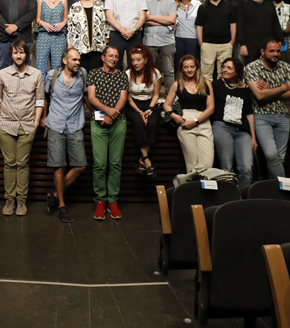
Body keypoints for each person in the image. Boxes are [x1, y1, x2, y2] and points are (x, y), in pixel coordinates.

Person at [0, 40, 44, 216]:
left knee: (22, 164)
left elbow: (39, 100)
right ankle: (9, 199)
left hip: (28, 125)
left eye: (21, 52)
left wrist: (36, 122)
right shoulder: (2, 74)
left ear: (26, 54)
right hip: (6, 124)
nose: (18, 56)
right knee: (9, 163)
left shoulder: (36, 74)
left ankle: (21, 200)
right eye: (15, 53)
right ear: (11, 55)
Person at [243, 39, 290, 181]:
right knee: (271, 155)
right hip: (262, 115)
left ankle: (273, 190)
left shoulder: (285, 67)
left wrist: (270, 90)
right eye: (272, 51)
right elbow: (260, 95)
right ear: (263, 52)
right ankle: (285, 188)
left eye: (278, 51)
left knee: (280, 158)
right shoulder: (252, 67)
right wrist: (283, 87)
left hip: (282, 115)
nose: (275, 54)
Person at [42, 48, 87, 223]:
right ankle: (61, 205)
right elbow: (45, 96)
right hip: (55, 124)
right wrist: (44, 116)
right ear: (64, 61)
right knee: (58, 166)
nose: (77, 63)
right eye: (74, 60)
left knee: (80, 165)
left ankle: (53, 194)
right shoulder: (52, 76)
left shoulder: (83, 74)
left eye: (79, 60)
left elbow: (85, 96)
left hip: (75, 124)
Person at [86, 45, 129, 219]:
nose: (113, 59)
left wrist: (113, 115)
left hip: (118, 123)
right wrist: (107, 111)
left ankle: (112, 200)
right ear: (103, 57)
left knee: (116, 163)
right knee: (99, 163)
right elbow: (91, 97)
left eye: (116, 56)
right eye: (110, 56)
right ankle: (100, 200)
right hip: (98, 122)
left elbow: (123, 97)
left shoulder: (121, 75)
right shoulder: (94, 74)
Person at [163, 54, 215, 176]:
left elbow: (211, 108)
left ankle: (200, 187)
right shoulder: (177, 84)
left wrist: (196, 121)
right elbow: (166, 105)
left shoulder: (206, 82)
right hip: (185, 120)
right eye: (186, 67)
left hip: (203, 121)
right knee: (192, 164)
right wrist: (173, 115)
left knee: (207, 164)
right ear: (182, 69)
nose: (189, 70)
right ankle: (192, 192)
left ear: (197, 67)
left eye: (192, 66)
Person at [211, 58, 257, 188]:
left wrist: (253, 137)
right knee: (227, 168)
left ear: (237, 71)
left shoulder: (245, 88)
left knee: (247, 167)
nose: (225, 70)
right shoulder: (216, 85)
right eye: (224, 67)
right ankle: (228, 199)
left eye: (229, 68)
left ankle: (243, 199)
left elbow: (249, 113)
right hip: (222, 127)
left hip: (242, 131)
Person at [124, 45, 162, 178]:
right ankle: (146, 159)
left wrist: (149, 109)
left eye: (138, 60)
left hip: (150, 103)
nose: (135, 63)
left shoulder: (155, 73)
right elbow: (128, 98)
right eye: (133, 60)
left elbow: (156, 94)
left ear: (145, 60)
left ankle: (142, 159)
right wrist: (140, 111)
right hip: (133, 104)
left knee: (152, 123)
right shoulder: (128, 74)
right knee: (138, 122)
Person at [103, 0, 148, 69]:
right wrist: (122, 30)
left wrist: (133, 30)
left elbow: (142, 18)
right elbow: (109, 17)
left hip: (135, 35)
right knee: (114, 64)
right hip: (116, 35)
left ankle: (134, 85)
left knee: (136, 65)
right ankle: (116, 85)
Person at [195, 0, 237, 82]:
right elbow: (199, 26)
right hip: (208, 44)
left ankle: (220, 96)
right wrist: (201, 43)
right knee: (206, 73)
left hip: (225, 44)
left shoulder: (229, 5)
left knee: (224, 72)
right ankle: (208, 96)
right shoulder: (203, 7)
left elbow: (233, 24)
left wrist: (232, 42)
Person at [66, 0, 109, 72]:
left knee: (96, 74)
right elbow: (70, 27)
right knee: (81, 75)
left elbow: (105, 24)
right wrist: (69, 45)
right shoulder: (74, 7)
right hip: (79, 47)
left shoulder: (100, 5)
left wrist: (106, 38)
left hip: (97, 47)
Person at [237, 0, 284, 66]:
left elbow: (275, 23)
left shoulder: (269, 4)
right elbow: (240, 26)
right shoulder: (244, 5)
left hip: (268, 44)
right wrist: (242, 44)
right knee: (251, 68)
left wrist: (280, 39)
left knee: (270, 67)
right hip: (251, 44)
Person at [144, 0, 177, 81]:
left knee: (168, 71)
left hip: (167, 42)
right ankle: (152, 96)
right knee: (149, 71)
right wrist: (165, 21)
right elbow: (144, 19)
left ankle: (169, 96)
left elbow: (172, 20)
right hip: (149, 41)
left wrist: (151, 17)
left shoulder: (171, 2)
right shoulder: (146, 2)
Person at [35, 0, 68, 76]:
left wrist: (62, 24)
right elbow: (37, 19)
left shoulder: (63, 0)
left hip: (59, 37)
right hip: (43, 36)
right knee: (40, 66)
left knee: (57, 67)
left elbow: (66, 18)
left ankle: (55, 91)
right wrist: (43, 23)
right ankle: (42, 91)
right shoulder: (41, 0)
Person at [173, 0, 201, 70]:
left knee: (193, 65)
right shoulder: (175, 5)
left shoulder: (197, 4)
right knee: (179, 65)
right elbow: (170, 20)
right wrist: (174, 6)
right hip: (179, 39)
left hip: (194, 39)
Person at [272, 0, 290, 65]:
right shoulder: (268, 7)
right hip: (271, 42)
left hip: (287, 43)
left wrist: (285, 32)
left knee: (286, 67)